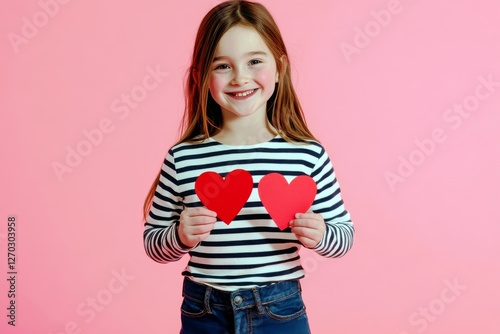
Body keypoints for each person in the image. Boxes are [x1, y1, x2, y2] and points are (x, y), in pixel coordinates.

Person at [142, 1, 354, 333]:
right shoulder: (183, 158)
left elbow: (344, 235)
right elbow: (154, 242)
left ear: (279, 67)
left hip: (280, 309)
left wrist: (321, 234)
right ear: (201, 76)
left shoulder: (307, 155)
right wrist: (181, 235)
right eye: (222, 66)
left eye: (254, 61)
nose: (240, 77)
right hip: (204, 311)